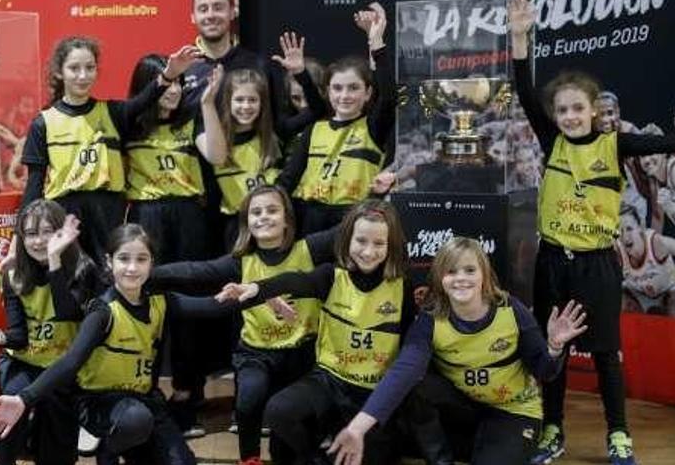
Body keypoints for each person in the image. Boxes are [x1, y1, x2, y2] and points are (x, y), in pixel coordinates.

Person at [508, 0, 675, 465]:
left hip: (596, 265)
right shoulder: (551, 138)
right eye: (563, 110)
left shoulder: (616, 144)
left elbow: (673, 139)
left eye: (578, 109)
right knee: (553, 349)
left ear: (594, 110)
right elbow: (524, 89)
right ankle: (553, 429)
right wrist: (518, 37)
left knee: (605, 354)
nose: (570, 116)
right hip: (553, 263)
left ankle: (618, 434)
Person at [0, 224, 264, 464]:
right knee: (135, 420)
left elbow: (213, 307)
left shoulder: (161, 301)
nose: (132, 267)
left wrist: (257, 292)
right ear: (109, 262)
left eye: (141, 259)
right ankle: (108, 452)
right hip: (100, 403)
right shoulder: (102, 312)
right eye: (124, 258)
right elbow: (70, 362)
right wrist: (24, 398)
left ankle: (133, 448)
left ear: (152, 263)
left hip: (144, 401)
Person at [328, 236, 588, 465]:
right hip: (464, 410)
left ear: (483, 275)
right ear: (441, 278)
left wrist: (554, 346)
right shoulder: (430, 319)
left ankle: (508, 447)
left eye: (469, 270)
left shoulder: (511, 310)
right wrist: (357, 429)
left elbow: (546, 371)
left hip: (511, 411)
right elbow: (404, 370)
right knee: (414, 387)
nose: (461, 278)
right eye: (452, 271)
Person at [215, 199, 414, 464]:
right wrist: (259, 289)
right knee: (278, 411)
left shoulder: (403, 288)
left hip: (372, 392)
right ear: (347, 240)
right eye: (361, 241)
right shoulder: (332, 275)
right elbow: (297, 280)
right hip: (330, 381)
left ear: (392, 246)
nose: (368, 252)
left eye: (379, 244)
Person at [150, 185, 336, 464]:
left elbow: (350, 229)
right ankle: (249, 458)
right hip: (256, 354)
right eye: (255, 212)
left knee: (288, 438)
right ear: (246, 221)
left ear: (287, 218)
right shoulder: (241, 262)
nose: (263, 217)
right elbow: (193, 271)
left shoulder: (309, 249)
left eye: (272, 210)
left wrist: (380, 200)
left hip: (303, 354)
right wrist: (147, 274)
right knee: (249, 398)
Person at [15, 36, 200, 264]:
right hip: (64, 213)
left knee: (110, 277)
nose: (83, 75)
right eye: (74, 68)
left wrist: (169, 75)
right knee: (71, 281)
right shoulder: (43, 123)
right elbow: (33, 189)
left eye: (90, 68)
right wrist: (17, 243)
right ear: (59, 72)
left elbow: (144, 99)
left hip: (108, 211)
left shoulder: (113, 112)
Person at [0, 200, 105, 464]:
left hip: (64, 370)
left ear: (62, 233)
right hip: (23, 361)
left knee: (57, 450)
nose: (39, 241)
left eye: (48, 231)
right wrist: (2, 337)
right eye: (31, 234)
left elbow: (67, 312)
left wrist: (54, 261)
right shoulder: (14, 273)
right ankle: (1, 450)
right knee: (11, 410)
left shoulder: (84, 269)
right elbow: (20, 335)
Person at [276, 3, 396, 235]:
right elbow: (288, 179)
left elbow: (389, 97)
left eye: (353, 88)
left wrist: (377, 42)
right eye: (337, 88)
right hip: (308, 220)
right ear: (328, 92)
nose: (344, 95)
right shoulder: (315, 129)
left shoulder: (373, 127)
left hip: (353, 222)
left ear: (368, 93)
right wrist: (266, 204)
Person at [203, 32, 325, 247]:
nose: (246, 106)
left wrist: (301, 74)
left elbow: (318, 109)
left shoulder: (275, 132)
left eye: (252, 100)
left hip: (276, 225)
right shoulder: (218, 139)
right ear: (228, 102)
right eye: (239, 100)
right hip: (236, 226)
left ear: (262, 103)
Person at [124, 53, 227, 265]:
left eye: (179, 83)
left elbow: (217, 157)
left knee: (191, 282)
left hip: (189, 213)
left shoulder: (189, 119)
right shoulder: (128, 125)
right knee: (152, 281)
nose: (174, 90)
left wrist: (207, 105)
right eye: (168, 83)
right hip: (146, 214)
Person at [616, 205, 675, 317]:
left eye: (629, 229)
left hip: (669, 290)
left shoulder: (656, 243)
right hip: (638, 295)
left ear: (641, 227)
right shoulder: (617, 249)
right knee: (616, 298)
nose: (625, 236)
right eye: (620, 230)